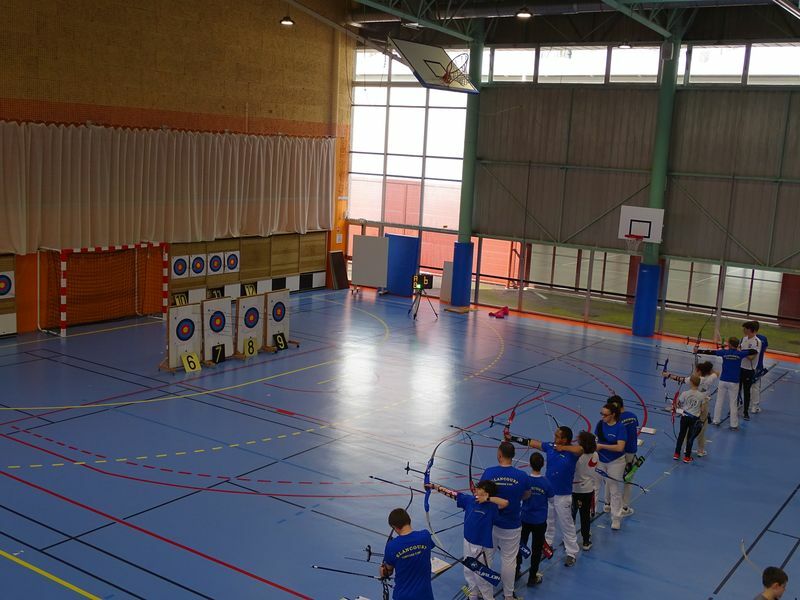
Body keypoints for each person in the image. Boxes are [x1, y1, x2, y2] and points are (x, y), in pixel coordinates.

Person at [507, 426, 592, 566]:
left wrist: (563, 448)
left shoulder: (573, 452)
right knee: (549, 521)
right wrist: (513, 438)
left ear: (565, 439)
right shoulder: (550, 446)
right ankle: (547, 546)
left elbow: (580, 449)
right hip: (548, 494)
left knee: (567, 524)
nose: (555, 438)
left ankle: (571, 552)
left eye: (558, 436)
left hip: (563, 495)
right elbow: (532, 442)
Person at [426, 480, 508, 600]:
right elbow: (452, 494)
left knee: (482, 576)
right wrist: (434, 486)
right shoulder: (470, 500)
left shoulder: (492, 507)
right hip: (467, 542)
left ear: (486, 493)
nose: (476, 490)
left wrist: (488, 499)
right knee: (468, 571)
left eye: (480, 489)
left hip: (482, 547)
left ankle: (488, 598)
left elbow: (505, 503)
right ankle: (473, 595)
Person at [480, 442, 531, 600]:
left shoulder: (489, 472)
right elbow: (527, 495)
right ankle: (508, 595)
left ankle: (485, 593)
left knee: (487, 557)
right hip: (512, 524)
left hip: (491, 523)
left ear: (499, 455)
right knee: (509, 560)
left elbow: (480, 495)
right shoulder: (522, 476)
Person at [696, 337, 758, 431]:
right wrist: (741, 349)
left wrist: (698, 350)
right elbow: (754, 351)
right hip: (734, 382)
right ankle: (733, 425)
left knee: (719, 401)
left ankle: (716, 420)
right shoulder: (740, 353)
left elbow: (711, 352)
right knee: (733, 403)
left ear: (730, 344)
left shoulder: (724, 352)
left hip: (723, 381)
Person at [663, 361, 719, 457]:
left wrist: (667, 375)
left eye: (696, 370)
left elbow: (679, 379)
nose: (695, 372)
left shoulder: (693, 379)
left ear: (699, 371)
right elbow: (717, 373)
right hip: (703, 404)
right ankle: (700, 450)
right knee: (701, 428)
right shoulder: (710, 378)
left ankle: (686, 448)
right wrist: (709, 370)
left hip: (691, 407)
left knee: (687, 429)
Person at [380, 508, 434, 600]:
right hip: (426, 595)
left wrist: (382, 570)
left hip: (403, 596)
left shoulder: (392, 546)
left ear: (394, 527)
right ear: (409, 520)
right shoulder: (425, 536)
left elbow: (388, 572)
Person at [517, 452, 554, 587]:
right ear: (543, 464)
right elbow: (552, 500)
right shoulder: (546, 483)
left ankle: (515, 572)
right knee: (537, 549)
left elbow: (520, 496)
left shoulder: (525, 480)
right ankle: (532, 577)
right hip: (539, 521)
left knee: (520, 545)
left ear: (530, 464)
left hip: (525, 518)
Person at [595, 402, 628, 531]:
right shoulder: (600, 424)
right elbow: (596, 439)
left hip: (616, 462)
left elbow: (620, 447)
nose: (602, 417)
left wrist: (602, 446)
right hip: (600, 460)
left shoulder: (620, 427)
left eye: (605, 415)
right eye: (601, 414)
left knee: (614, 489)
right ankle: (592, 511)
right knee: (595, 486)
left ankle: (616, 518)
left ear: (613, 415)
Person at [607, 396, 637, 517]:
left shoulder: (616, 420)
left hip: (618, 452)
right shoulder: (633, 416)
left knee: (611, 476)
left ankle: (608, 503)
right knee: (628, 478)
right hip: (631, 451)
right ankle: (624, 506)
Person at [571, 431, 599, 551]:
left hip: (575, 490)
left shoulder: (577, 456)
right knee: (585, 516)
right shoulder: (595, 455)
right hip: (588, 489)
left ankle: (570, 538)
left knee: (571, 515)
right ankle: (586, 541)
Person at [673, 374, 705, 463]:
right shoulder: (702, 395)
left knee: (681, 435)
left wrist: (677, 402)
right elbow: (702, 409)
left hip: (685, 417)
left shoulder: (685, 393)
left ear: (691, 383)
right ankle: (687, 457)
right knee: (690, 438)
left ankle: (676, 454)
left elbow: (678, 404)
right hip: (694, 419)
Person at [739, 321, 762, 421]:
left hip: (749, 369)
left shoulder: (757, 342)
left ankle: (745, 412)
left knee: (747, 391)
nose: (743, 330)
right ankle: (734, 408)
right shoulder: (743, 339)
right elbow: (739, 350)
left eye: (745, 328)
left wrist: (741, 352)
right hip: (740, 368)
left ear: (749, 330)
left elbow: (752, 357)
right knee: (737, 389)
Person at [752, 321, 769, 414]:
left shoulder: (746, 338)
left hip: (748, 367)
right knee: (756, 386)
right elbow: (764, 349)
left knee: (746, 386)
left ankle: (746, 404)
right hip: (758, 366)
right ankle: (754, 406)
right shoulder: (763, 339)